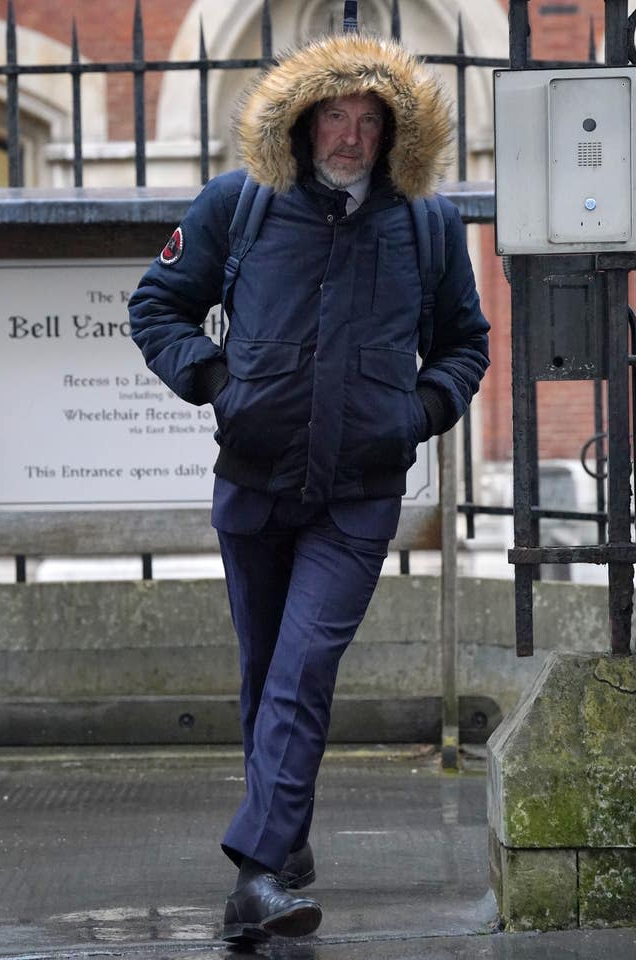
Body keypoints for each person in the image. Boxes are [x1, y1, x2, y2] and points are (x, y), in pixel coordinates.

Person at [129, 31, 489, 946]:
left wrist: (413, 415)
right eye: (334, 115)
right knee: (265, 671)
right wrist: (218, 385)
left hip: (358, 493)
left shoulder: (427, 226)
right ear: (301, 120)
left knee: (303, 668)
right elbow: (155, 305)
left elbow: (464, 346)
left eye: (369, 120)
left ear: (393, 132)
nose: (350, 135)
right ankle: (284, 843)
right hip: (253, 484)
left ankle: (256, 878)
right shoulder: (238, 206)